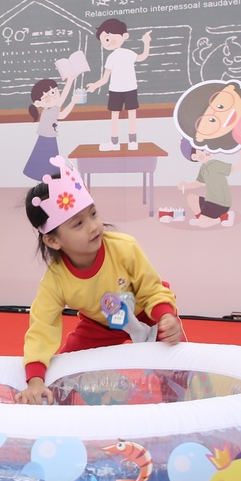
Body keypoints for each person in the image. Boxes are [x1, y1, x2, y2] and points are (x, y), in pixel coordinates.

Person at [16, 156, 184, 404]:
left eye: (93, 213)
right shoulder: (56, 279)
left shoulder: (124, 247)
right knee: (65, 371)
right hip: (99, 324)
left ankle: (181, 402)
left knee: (177, 364)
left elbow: (151, 290)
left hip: (147, 315)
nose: (94, 226)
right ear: (53, 240)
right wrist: (35, 380)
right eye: (78, 224)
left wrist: (166, 317)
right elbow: (43, 327)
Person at [85, 18, 151, 151]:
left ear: (124, 36)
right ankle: (116, 143)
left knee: (130, 115)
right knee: (116, 116)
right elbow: (105, 79)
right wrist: (94, 85)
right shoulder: (111, 57)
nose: (107, 43)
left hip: (129, 89)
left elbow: (142, 56)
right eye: (104, 40)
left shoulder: (128, 53)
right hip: (116, 90)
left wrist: (146, 42)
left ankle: (131, 142)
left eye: (108, 38)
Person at [22, 75, 80, 181]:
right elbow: (61, 102)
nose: (56, 95)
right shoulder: (49, 111)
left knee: (48, 162)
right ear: (38, 103)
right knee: (49, 162)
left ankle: (49, 180)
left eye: (55, 91)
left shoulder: (49, 111)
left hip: (49, 138)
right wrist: (70, 81)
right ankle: (49, 180)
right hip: (47, 140)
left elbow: (61, 114)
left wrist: (73, 101)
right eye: (52, 94)